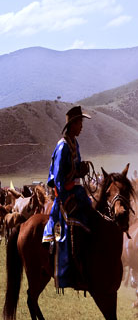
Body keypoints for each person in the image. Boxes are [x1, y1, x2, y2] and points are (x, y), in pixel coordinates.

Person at [42, 106, 93, 290]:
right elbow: (58, 180)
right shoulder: (62, 146)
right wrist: (73, 180)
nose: (82, 126)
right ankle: (68, 269)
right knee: (69, 229)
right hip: (64, 196)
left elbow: (75, 167)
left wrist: (81, 170)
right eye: (80, 122)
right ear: (72, 124)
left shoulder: (74, 143)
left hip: (76, 191)